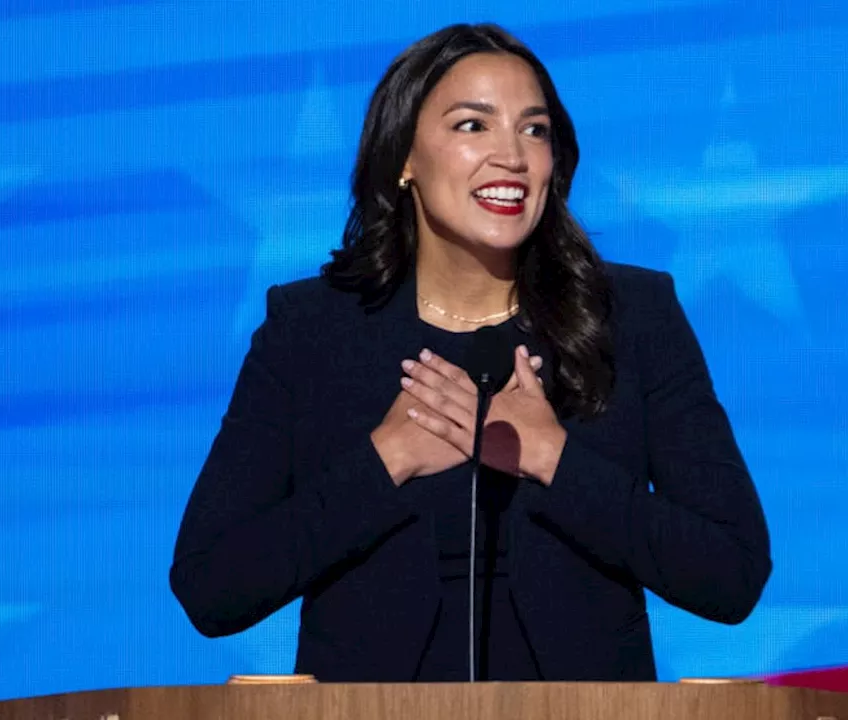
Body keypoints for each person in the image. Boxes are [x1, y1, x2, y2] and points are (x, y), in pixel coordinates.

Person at [169, 23, 771, 683]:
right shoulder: (311, 331)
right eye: (472, 126)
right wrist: (387, 459)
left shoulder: (633, 317)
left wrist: (553, 460)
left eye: (534, 130)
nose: (511, 155)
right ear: (403, 158)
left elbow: (732, 573)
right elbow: (211, 585)